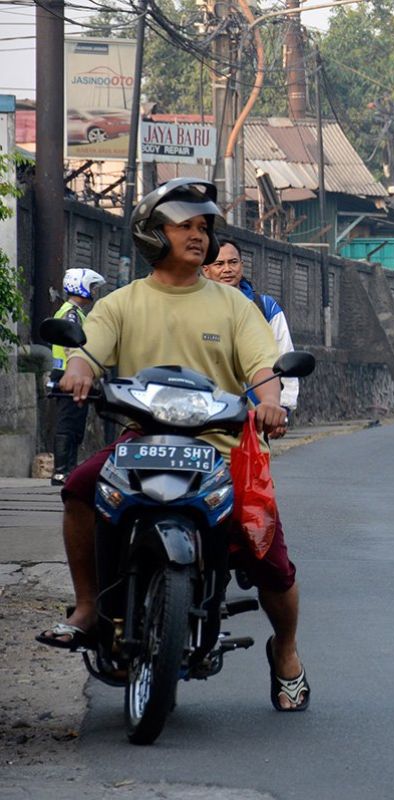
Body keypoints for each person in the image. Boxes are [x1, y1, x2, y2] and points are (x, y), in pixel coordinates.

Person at [37, 178, 310, 712]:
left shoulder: (234, 306)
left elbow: (261, 367)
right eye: (185, 225)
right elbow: (86, 353)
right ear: (152, 233)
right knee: (78, 488)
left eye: (203, 227)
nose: (197, 236)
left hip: (220, 446)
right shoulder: (120, 303)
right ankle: (91, 606)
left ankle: (288, 651)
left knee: (269, 556)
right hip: (141, 441)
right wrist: (75, 371)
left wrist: (270, 401)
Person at [202, 239, 299, 418]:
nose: (227, 269)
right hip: (206, 415)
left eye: (233, 262)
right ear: (205, 270)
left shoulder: (265, 307)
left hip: (256, 418)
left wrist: (282, 409)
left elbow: (284, 355)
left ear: (242, 265)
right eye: (219, 264)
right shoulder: (197, 309)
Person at [48, 268, 106, 485]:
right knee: (68, 422)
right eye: (91, 287)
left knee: (75, 424)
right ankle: (61, 471)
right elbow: (72, 346)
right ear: (80, 286)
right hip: (68, 374)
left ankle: (69, 469)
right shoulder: (71, 313)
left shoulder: (76, 312)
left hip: (71, 373)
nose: (92, 292)